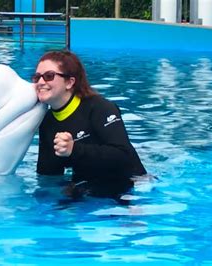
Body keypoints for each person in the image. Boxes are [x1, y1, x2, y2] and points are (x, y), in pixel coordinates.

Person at [33, 50, 147, 199]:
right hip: (88, 186)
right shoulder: (47, 122)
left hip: (131, 185)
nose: (40, 82)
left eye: (49, 76)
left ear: (69, 82)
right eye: (37, 77)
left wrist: (74, 149)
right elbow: (48, 174)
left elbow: (123, 155)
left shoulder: (100, 108)